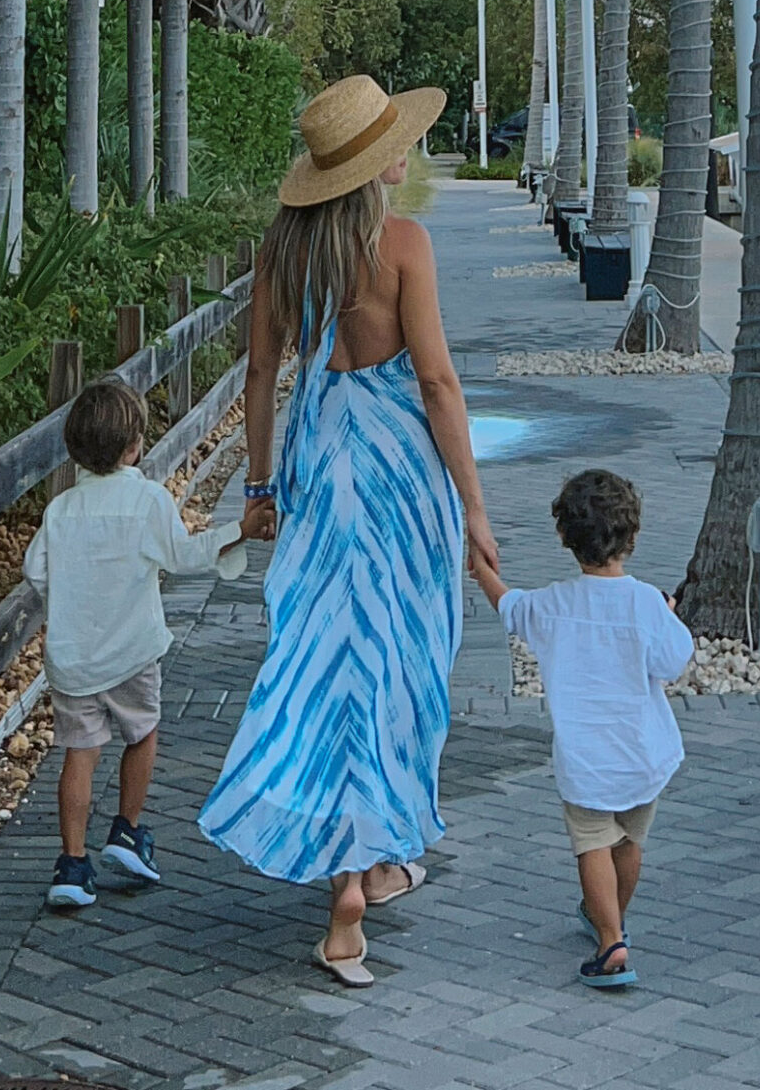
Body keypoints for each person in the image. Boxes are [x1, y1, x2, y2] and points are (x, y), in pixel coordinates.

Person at [200, 75, 498, 988]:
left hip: (321, 461)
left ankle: (350, 882)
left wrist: (258, 487)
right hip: (402, 471)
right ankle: (368, 863)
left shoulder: (282, 251)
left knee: (324, 657)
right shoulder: (403, 244)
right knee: (398, 656)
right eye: (393, 142)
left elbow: (260, 374)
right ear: (371, 165)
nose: (404, 152)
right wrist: (475, 506)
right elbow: (437, 383)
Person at [467, 470, 693, 989]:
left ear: (564, 536)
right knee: (629, 842)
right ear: (633, 535)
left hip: (586, 758)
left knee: (592, 843)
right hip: (643, 754)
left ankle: (610, 940)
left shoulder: (553, 604)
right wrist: (667, 614)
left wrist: (481, 570)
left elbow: (509, 607)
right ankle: (611, 919)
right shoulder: (646, 603)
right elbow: (671, 662)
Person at [24, 376, 242, 909]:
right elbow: (183, 557)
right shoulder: (147, 501)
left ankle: (72, 864)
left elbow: (35, 571)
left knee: (79, 753)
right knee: (141, 733)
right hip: (133, 652)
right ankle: (127, 829)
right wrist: (235, 532)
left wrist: (68, 600)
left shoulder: (60, 511)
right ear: (135, 446)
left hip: (74, 661)